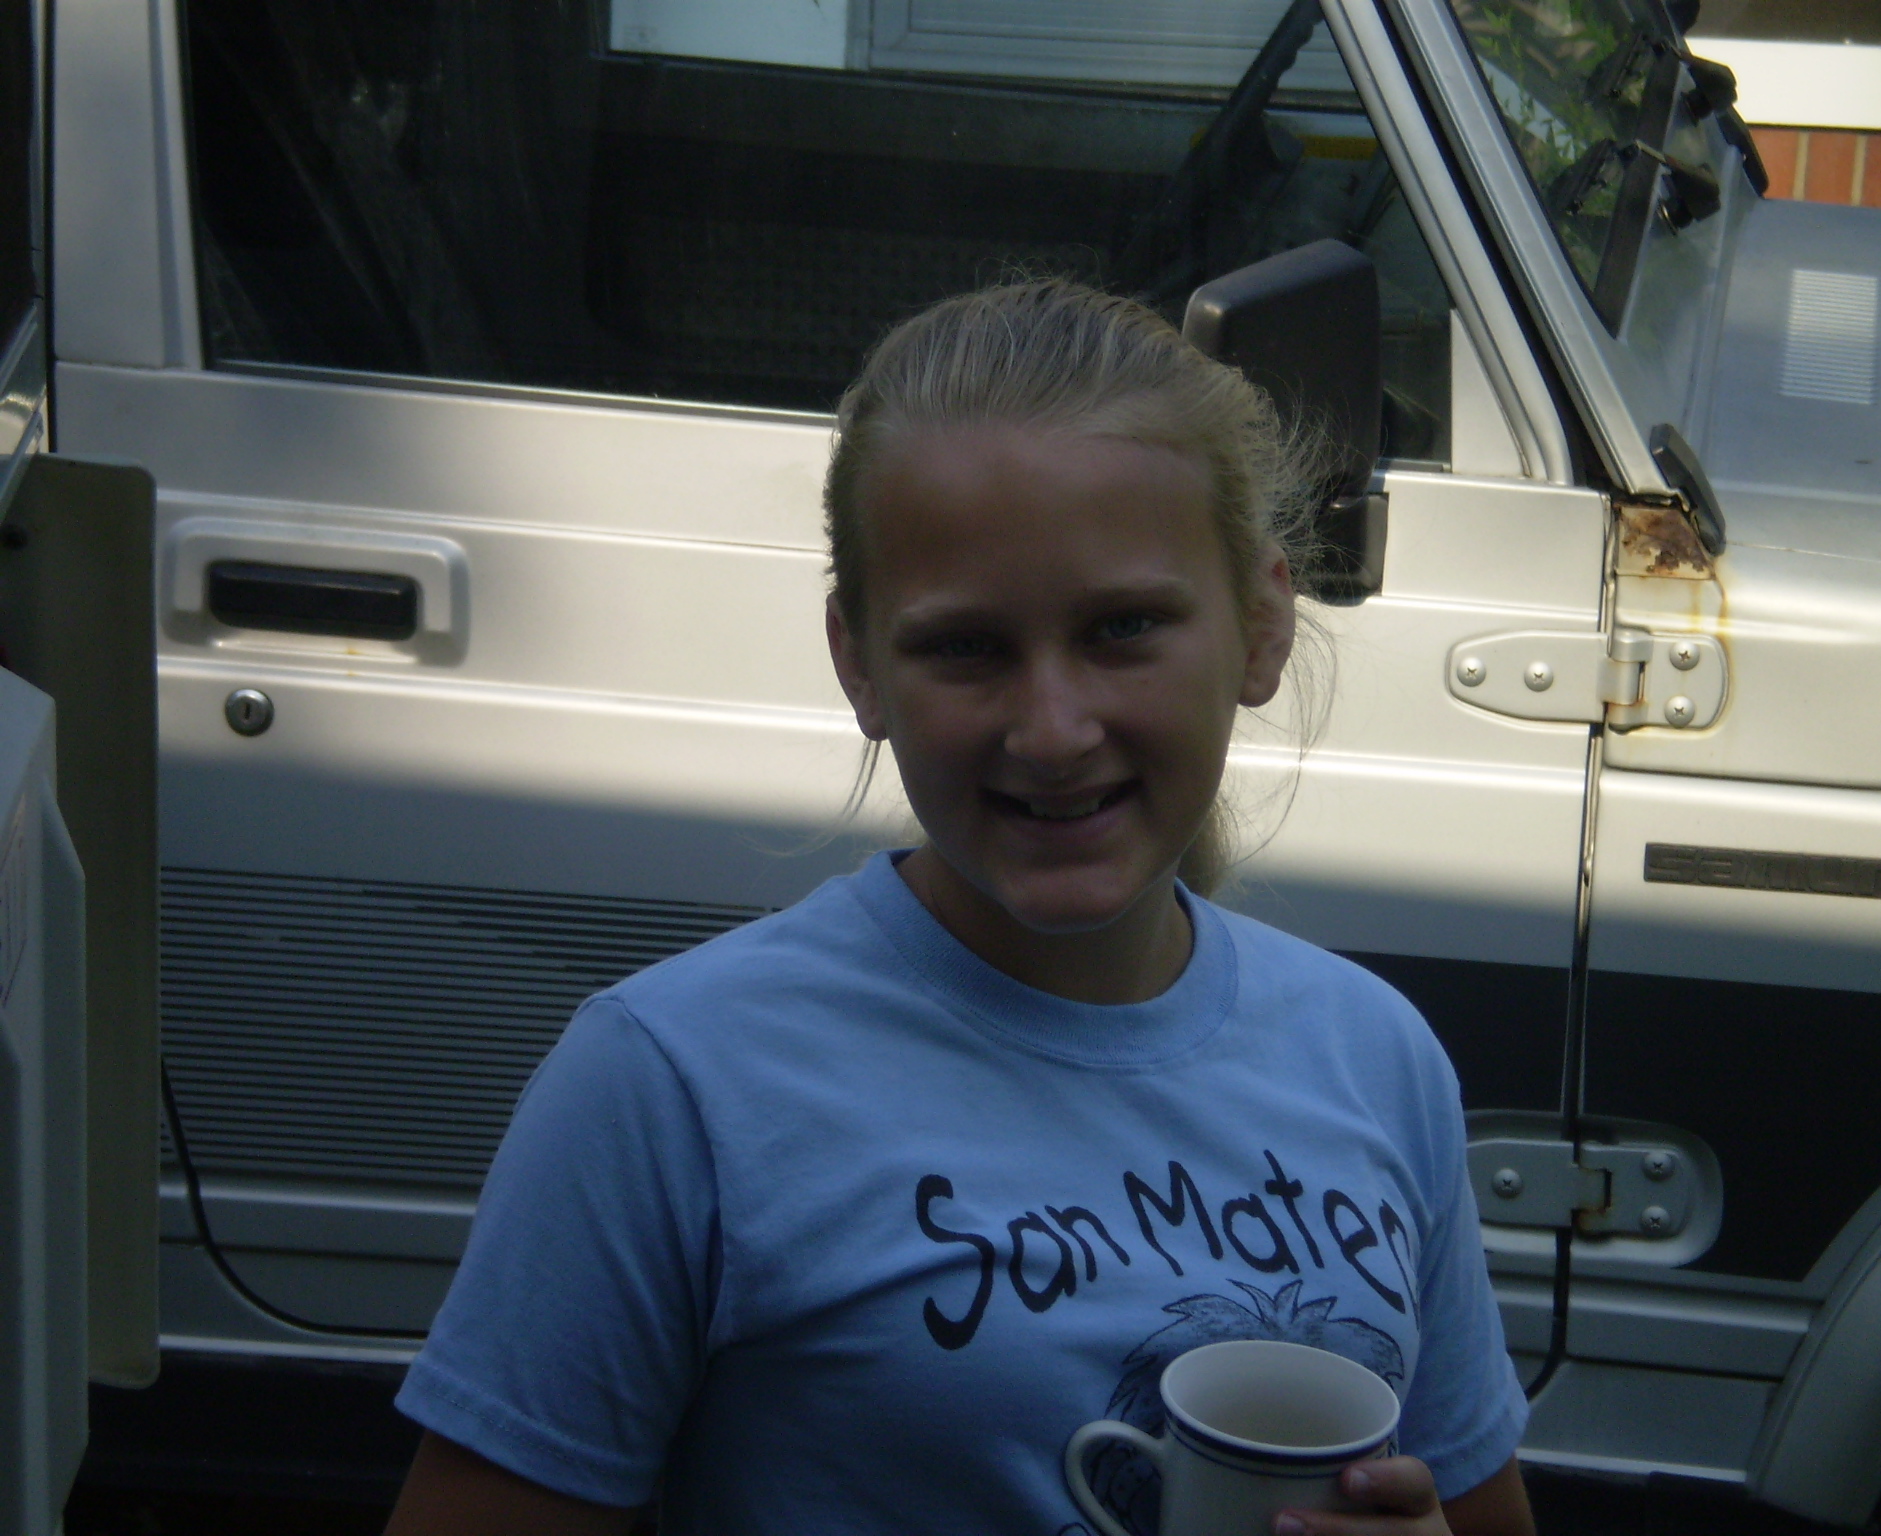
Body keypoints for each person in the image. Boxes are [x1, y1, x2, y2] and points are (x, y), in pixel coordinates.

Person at [382, 279, 1535, 1536]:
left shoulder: (1373, 1058)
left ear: (1260, 627)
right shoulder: (673, 1085)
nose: (1051, 730)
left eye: (1123, 628)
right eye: (965, 648)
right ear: (859, 662)